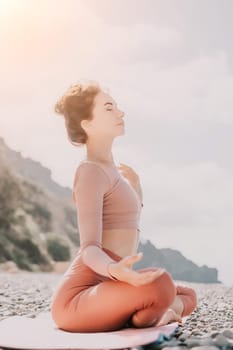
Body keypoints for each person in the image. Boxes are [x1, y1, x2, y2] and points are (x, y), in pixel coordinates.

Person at [50, 81, 197, 333]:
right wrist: (114, 270)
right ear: (88, 124)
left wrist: (135, 189)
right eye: (109, 107)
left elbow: (124, 222)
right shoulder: (90, 172)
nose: (120, 112)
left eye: (116, 106)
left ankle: (145, 315)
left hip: (109, 286)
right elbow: (89, 249)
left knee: (189, 294)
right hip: (78, 299)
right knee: (161, 282)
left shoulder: (112, 172)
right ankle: (148, 313)